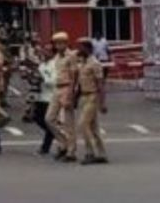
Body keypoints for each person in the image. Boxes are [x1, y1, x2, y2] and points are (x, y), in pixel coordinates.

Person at [74, 37, 108, 164]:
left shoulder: (94, 63)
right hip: (84, 96)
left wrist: (103, 102)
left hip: (92, 96)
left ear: (87, 48)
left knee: (83, 125)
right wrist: (76, 98)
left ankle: (90, 152)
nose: (78, 49)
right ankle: (102, 153)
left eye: (81, 47)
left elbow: (100, 84)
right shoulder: (82, 63)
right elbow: (80, 84)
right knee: (93, 128)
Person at [47, 32, 77, 160]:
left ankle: (71, 151)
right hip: (57, 88)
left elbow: (74, 77)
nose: (58, 45)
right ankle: (63, 143)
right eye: (56, 43)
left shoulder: (71, 56)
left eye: (61, 43)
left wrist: (71, 94)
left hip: (66, 87)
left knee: (68, 122)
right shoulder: (57, 57)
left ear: (66, 43)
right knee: (49, 119)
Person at [30, 45, 57, 154]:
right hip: (41, 95)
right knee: (37, 118)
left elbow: (53, 81)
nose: (44, 52)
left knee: (48, 120)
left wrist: (42, 78)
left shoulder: (54, 65)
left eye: (47, 51)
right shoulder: (42, 65)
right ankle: (54, 134)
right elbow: (36, 79)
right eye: (43, 50)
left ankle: (46, 146)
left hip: (50, 97)